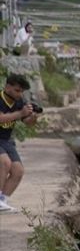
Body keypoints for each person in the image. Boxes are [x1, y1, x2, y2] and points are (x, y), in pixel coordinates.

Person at [0, 74, 40, 213]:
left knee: (18, 171)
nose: (20, 94)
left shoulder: (19, 102)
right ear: (8, 87)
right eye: (17, 90)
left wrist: (33, 117)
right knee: (4, 163)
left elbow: (28, 123)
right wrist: (20, 113)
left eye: (21, 91)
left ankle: (2, 201)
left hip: (5, 140)